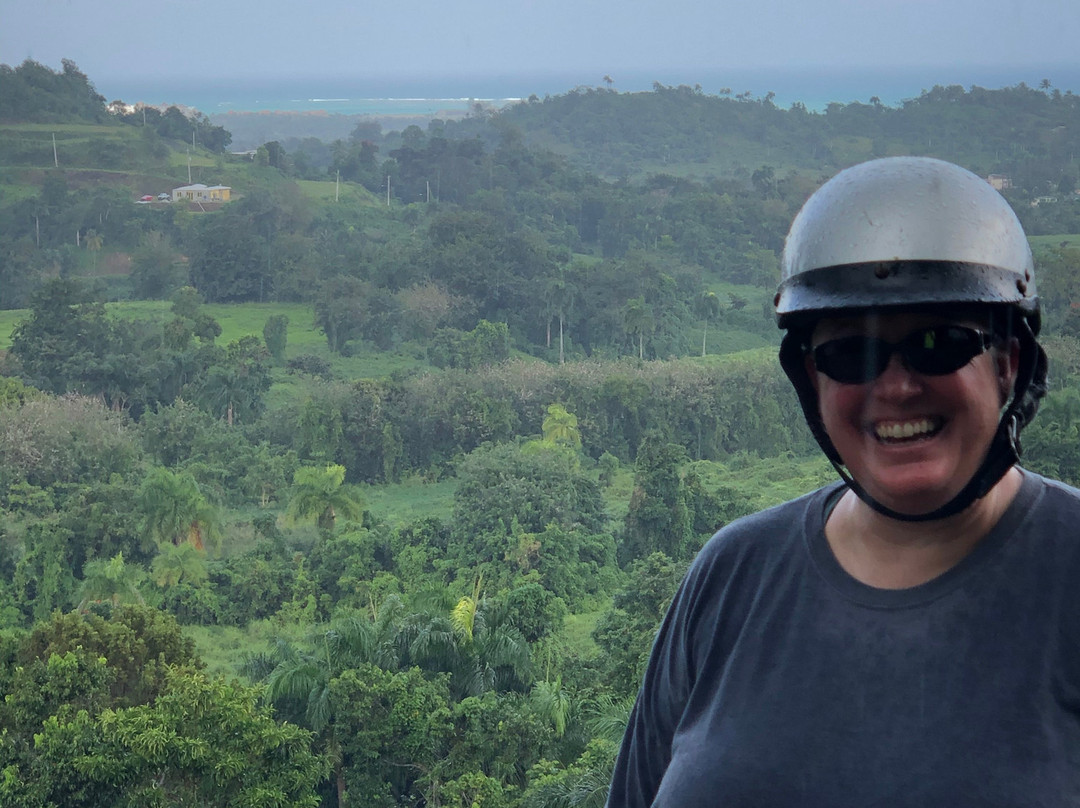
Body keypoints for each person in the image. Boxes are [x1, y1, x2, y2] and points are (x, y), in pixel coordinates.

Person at [606, 156, 1080, 806]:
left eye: (938, 343)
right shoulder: (733, 577)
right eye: (849, 353)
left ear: (1009, 364)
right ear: (812, 381)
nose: (896, 386)